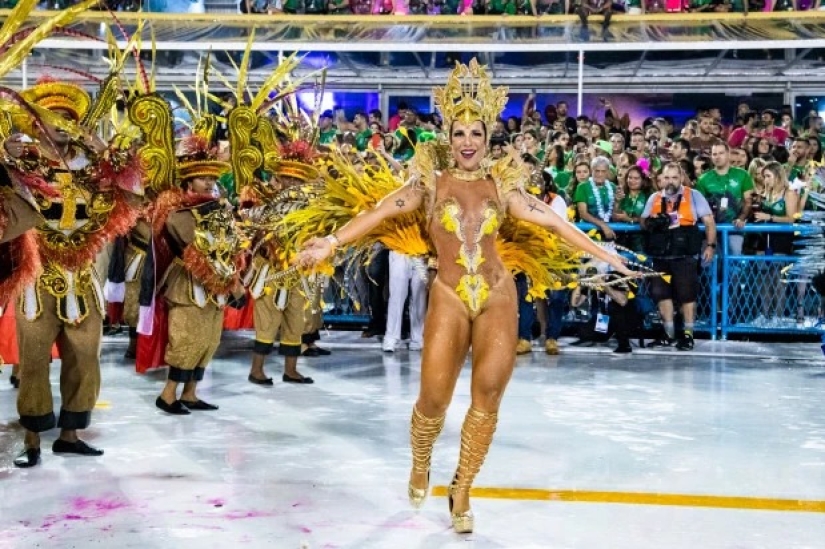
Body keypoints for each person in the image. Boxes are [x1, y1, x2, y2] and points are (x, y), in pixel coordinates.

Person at [295, 59, 633, 533]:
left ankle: (463, 488)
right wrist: (331, 243)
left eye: (477, 131)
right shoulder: (429, 184)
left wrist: (605, 254)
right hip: (450, 295)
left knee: (487, 398)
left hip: (497, 295)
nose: (469, 141)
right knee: (433, 398)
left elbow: (555, 221)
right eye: (460, 133)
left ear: (489, 135)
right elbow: (378, 211)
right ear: (448, 136)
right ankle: (420, 459)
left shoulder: (503, 185)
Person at [7, 78, 142, 467]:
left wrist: (102, 150)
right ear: (37, 125)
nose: (61, 125)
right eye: (53, 118)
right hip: (37, 275)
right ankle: (30, 438)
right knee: (32, 359)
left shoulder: (94, 169)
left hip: (82, 277)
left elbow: (134, 194)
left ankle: (70, 434)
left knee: (85, 357)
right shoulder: (22, 166)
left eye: (68, 119)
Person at [641, 163, 717, 350]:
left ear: (681, 178)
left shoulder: (694, 195)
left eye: (674, 177)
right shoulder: (654, 198)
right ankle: (668, 333)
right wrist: (652, 223)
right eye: (667, 178)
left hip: (685, 254)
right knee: (661, 294)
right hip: (661, 255)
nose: (670, 182)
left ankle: (688, 335)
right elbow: (643, 221)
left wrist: (710, 245)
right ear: (661, 179)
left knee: (687, 295)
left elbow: (709, 222)